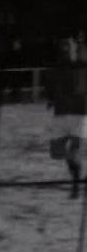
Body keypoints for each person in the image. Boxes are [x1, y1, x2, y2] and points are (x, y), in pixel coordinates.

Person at [44, 35, 87, 199]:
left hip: (79, 112)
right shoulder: (54, 68)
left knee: (74, 148)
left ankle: (75, 185)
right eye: (63, 46)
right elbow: (51, 88)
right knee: (56, 152)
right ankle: (77, 173)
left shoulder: (82, 66)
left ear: (76, 48)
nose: (66, 49)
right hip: (60, 113)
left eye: (69, 46)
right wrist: (51, 99)